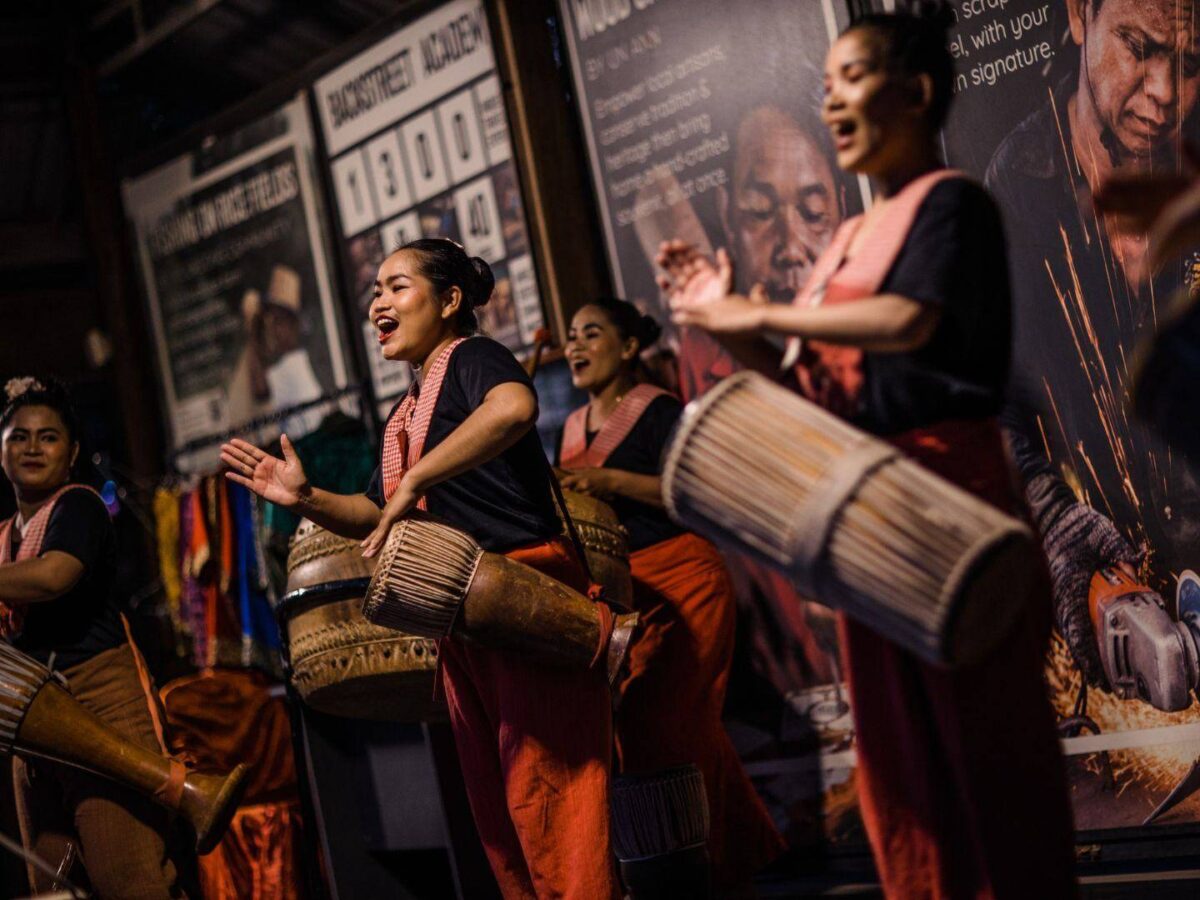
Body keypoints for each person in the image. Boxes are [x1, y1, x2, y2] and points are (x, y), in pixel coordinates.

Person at [658, 6, 1076, 896]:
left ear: (916, 93)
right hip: (865, 524)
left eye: (850, 79)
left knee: (987, 770)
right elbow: (805, 380)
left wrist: (758, 313)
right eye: (826, 86)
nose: (832, 100)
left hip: (947, 505)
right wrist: (720, 318)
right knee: (904, 782)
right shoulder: (846, 240)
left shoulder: (950, 203)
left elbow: (906, 322)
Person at [221, 239, 619, 900]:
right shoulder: (407, 408)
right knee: (499, 813)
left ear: (451, 299)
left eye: (398, 286)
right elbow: (373, 509)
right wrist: (305, 497)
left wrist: (420, 479)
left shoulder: (473, 358)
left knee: (549, 798)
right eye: (375, 290)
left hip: (524, 593)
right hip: (463, 614)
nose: (379, 301)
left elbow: (516, 409)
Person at [984, 0, 1200, 687]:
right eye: (1137, 47)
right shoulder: (1015, 188)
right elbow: (999, 399)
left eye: (1190, 64)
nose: (1165, 95)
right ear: (1081, 15)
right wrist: (1052, 517)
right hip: (1122, 584)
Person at [557, 297, 786, 895]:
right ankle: (736, 864)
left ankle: (700, 874)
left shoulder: (659, 411)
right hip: (625, 593)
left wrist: (607, 481)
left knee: (666, 727)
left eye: (592, 333)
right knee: (671, 732)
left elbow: (703, 488)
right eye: (571, 336)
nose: (575, 346)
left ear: (630, 347)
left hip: (686, 583)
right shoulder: (567, 427)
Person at [0, 377, 189, 899]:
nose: (33, 447)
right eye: (19, 436)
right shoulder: (3, 537)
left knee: (129, 879)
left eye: (49, 436)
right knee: (53, 886)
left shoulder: (78, 507)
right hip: (33, 728)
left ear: (73, 451)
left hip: (102, 709)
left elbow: (52, 576)